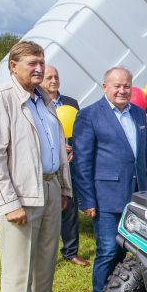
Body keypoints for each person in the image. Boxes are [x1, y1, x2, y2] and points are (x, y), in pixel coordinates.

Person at [0, 41, 78, 292]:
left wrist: (62, 188)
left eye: (41, 62)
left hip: (47, 189)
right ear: (13, 67)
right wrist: (8, 203)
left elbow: (57, 148)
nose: (38, 68)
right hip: (20, 195)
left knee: (46, 261)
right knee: (19, 267)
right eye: (32, 62)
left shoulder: (43, 99)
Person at [72, 67, 147, 292]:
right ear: (104, 86)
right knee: (107, 252)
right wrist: (88, 200)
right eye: (116, 85)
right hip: (106, 199)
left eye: (126, 85)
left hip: (136, 198)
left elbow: (141, 157)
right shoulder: (89, 115)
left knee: (134, 255)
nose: (121, 90)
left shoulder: (139, 114)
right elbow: (83, 161)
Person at [40, 65, 89, 266]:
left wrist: (74, 149)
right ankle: (44, 255)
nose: (53, 80)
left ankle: (71, 252)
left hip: (70, 166)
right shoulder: (37, 102)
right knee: (46, 212)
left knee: (70, 206)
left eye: (56, 76)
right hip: (47, 164)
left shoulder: (71, 103)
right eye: (49, 77)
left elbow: (79, 132)